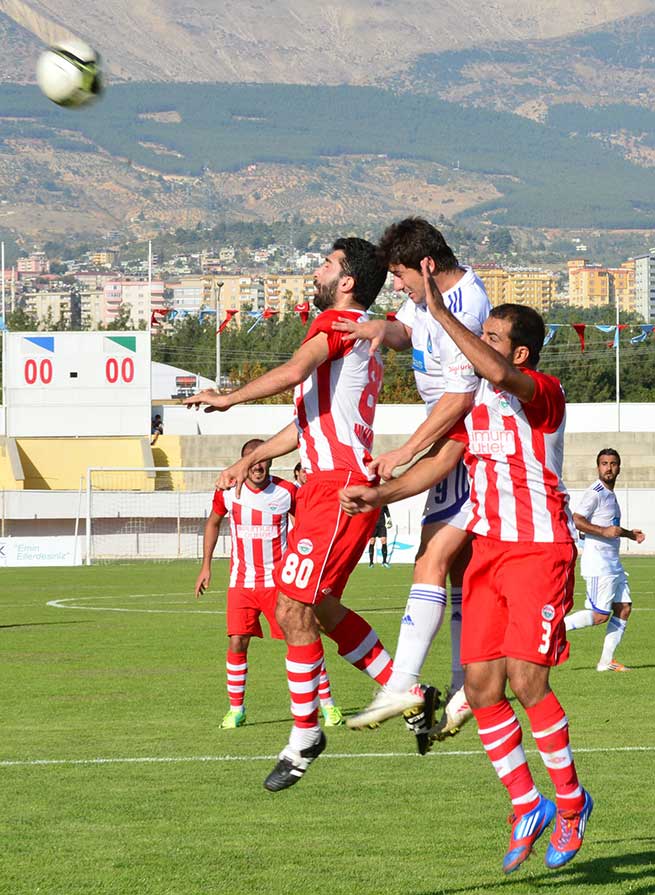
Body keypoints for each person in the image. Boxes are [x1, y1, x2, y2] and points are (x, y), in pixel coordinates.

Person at [340, 266, 593, 873]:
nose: (481, 342)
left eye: (493, 335)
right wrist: (384, 495)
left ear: (521, 351)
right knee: (480, 691)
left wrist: (439, 310)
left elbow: (500, 371)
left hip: (539, 552)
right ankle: (525, 803)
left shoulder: (543, 392)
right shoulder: (476, 406)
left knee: (529, 683)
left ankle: (571, 802)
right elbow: (440, 459)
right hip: (486, 556)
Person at [185, 236, 398, 791]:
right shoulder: (352, 334)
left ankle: (305, 734)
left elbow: (291, 369)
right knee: (317, 607)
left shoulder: (336, 324)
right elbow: (304, 426)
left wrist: (229, 398)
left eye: (327, 264)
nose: (318, 271)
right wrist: (251, 458)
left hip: (338, 488)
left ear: (346, 281)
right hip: (326, 486)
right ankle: (404, 687)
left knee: (291, 606)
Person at [336, 218, 491, 748]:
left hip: (466, 443)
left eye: (400, 275)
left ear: (426, 266)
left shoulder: (466, 306)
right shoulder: (427, 299)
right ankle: (460, 685)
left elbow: (459, 399)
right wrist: (383, 329)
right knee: (454, 573)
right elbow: (406, 332)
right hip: (453, 439)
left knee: (431, 558)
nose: (396, 285)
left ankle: (403, 683)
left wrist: (405, 451)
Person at [196, 439, 343, 729]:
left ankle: (327, 705)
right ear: (243, 463)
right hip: (241, 582)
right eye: (251, 460)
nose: (258, 465)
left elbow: (307, 527)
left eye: (262, 459)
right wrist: (206, 566)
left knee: (302, 637)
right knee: (237, 641)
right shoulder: (227, 492)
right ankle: (236, 709)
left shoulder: (287, 491)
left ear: (271, 460)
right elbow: (213, 523)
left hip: (280, 584)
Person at [566, 448, 645, 672]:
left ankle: (606, 662)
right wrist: (602, 531)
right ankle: (554, 628)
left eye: (612, 463)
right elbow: (578, 520)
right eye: (604, 463)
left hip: (613, 564)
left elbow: (613, 528)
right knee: (600, 616)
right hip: (598, 563)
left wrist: (631, 534)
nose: (608, 468)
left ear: (619, 467)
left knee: (624, 608)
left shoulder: (610, 494)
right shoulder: (596, 492)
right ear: (598, 467)